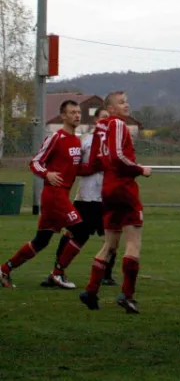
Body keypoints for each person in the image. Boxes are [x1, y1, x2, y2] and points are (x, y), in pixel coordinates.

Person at [1, 100, 95, 289]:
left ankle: (4, 270)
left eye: (78, 112)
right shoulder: (56, 138)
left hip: (61, 196)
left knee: (41, 241)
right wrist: (47, 174)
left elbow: (75, 169)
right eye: (72, 112)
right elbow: (35, 162)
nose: (77, 115)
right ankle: (58, 273)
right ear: (63, 116)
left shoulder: (76, 140)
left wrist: (99, 165)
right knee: (82, 231)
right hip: (54, 196)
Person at [79, 91, 152, 314]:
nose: (126, 105)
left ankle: (91, 291)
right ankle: (127, 295)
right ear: (111, 109)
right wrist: (140, 169)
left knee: (110, 244)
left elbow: (96, 162)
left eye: (126, 101)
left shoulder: (100, 129)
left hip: (108, 189)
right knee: (134, 242)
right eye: (121, 102)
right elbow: (116, 156)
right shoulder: (117, 124)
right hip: (124, 187)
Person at [41, 107, 120, 288]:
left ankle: (106, 274)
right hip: (85, 197)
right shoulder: (85, 142)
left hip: (107, 198)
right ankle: (57, 272)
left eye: (110, 119)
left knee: (112, 237)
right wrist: (92, 167)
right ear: (95, 122)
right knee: (73, 234)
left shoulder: (115, 143)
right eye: (103, 119)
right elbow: (74, 167)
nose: (107, 123)